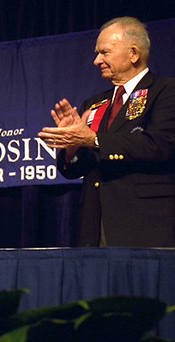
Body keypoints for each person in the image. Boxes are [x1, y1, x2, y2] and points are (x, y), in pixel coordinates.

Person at [38, 17, 175, 247]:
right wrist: (72, 147)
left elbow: (161, 145)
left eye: (104, 52)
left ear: (133, 54)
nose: (96, 60)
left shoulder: (166, 91)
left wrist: (93, 139)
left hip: (148, 224)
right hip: (95, 226)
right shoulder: (94, 104)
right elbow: (74, 170)